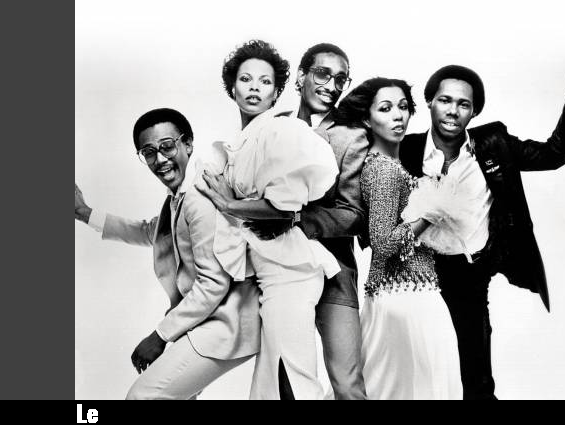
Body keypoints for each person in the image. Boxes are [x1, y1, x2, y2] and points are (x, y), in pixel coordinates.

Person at [398, 55, 565, 399]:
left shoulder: (494, 143)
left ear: (474, 112)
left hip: (470, 271)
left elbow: (554, 154)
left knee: (476, 376)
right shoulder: (405, 149)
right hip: (416, 272)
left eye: (463, 104)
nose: (453, 111)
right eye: (444, 100)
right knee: (418, 369)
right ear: (429, 102)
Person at [74, 108, 261, 399]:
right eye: (149, 152)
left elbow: (213, 284)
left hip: (227, 327)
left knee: (142, 397)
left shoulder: (199, 198)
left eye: (167, 146)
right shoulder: (179, 195)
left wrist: (159, 336)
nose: (160, 159)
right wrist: (85, 213)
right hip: (203, 321)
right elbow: (152, 231)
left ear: (188, 144)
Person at [195, 39, 340, 400]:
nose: (255, 88)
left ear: (276, 93)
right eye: (246, 79)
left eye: (265, 82)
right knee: (274, 381)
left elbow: (284, 209)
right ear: (232, 88)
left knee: (291, 377)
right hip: (267, 275)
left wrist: (230, 204)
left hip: (290, 274)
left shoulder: (280, 131)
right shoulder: (244, 141)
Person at [246, 42, 369, 400]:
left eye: (341, 79)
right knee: (282, 374)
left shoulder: (351, 136)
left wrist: (294, 217)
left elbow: (354, 215)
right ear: (301, 77)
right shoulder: (272, 125)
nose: (332, 86)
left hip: (334, 274)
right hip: (278, 271)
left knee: (346, 382)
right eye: (323, 74)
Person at [334, 77, 462, 400]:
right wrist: (430, 213)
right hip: (405, 299)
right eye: (385, 108)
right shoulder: (384, 170)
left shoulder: (389, 166)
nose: (397, 116)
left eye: (403, 107)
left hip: (402, 295)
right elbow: (383, 242)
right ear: (367, 119)